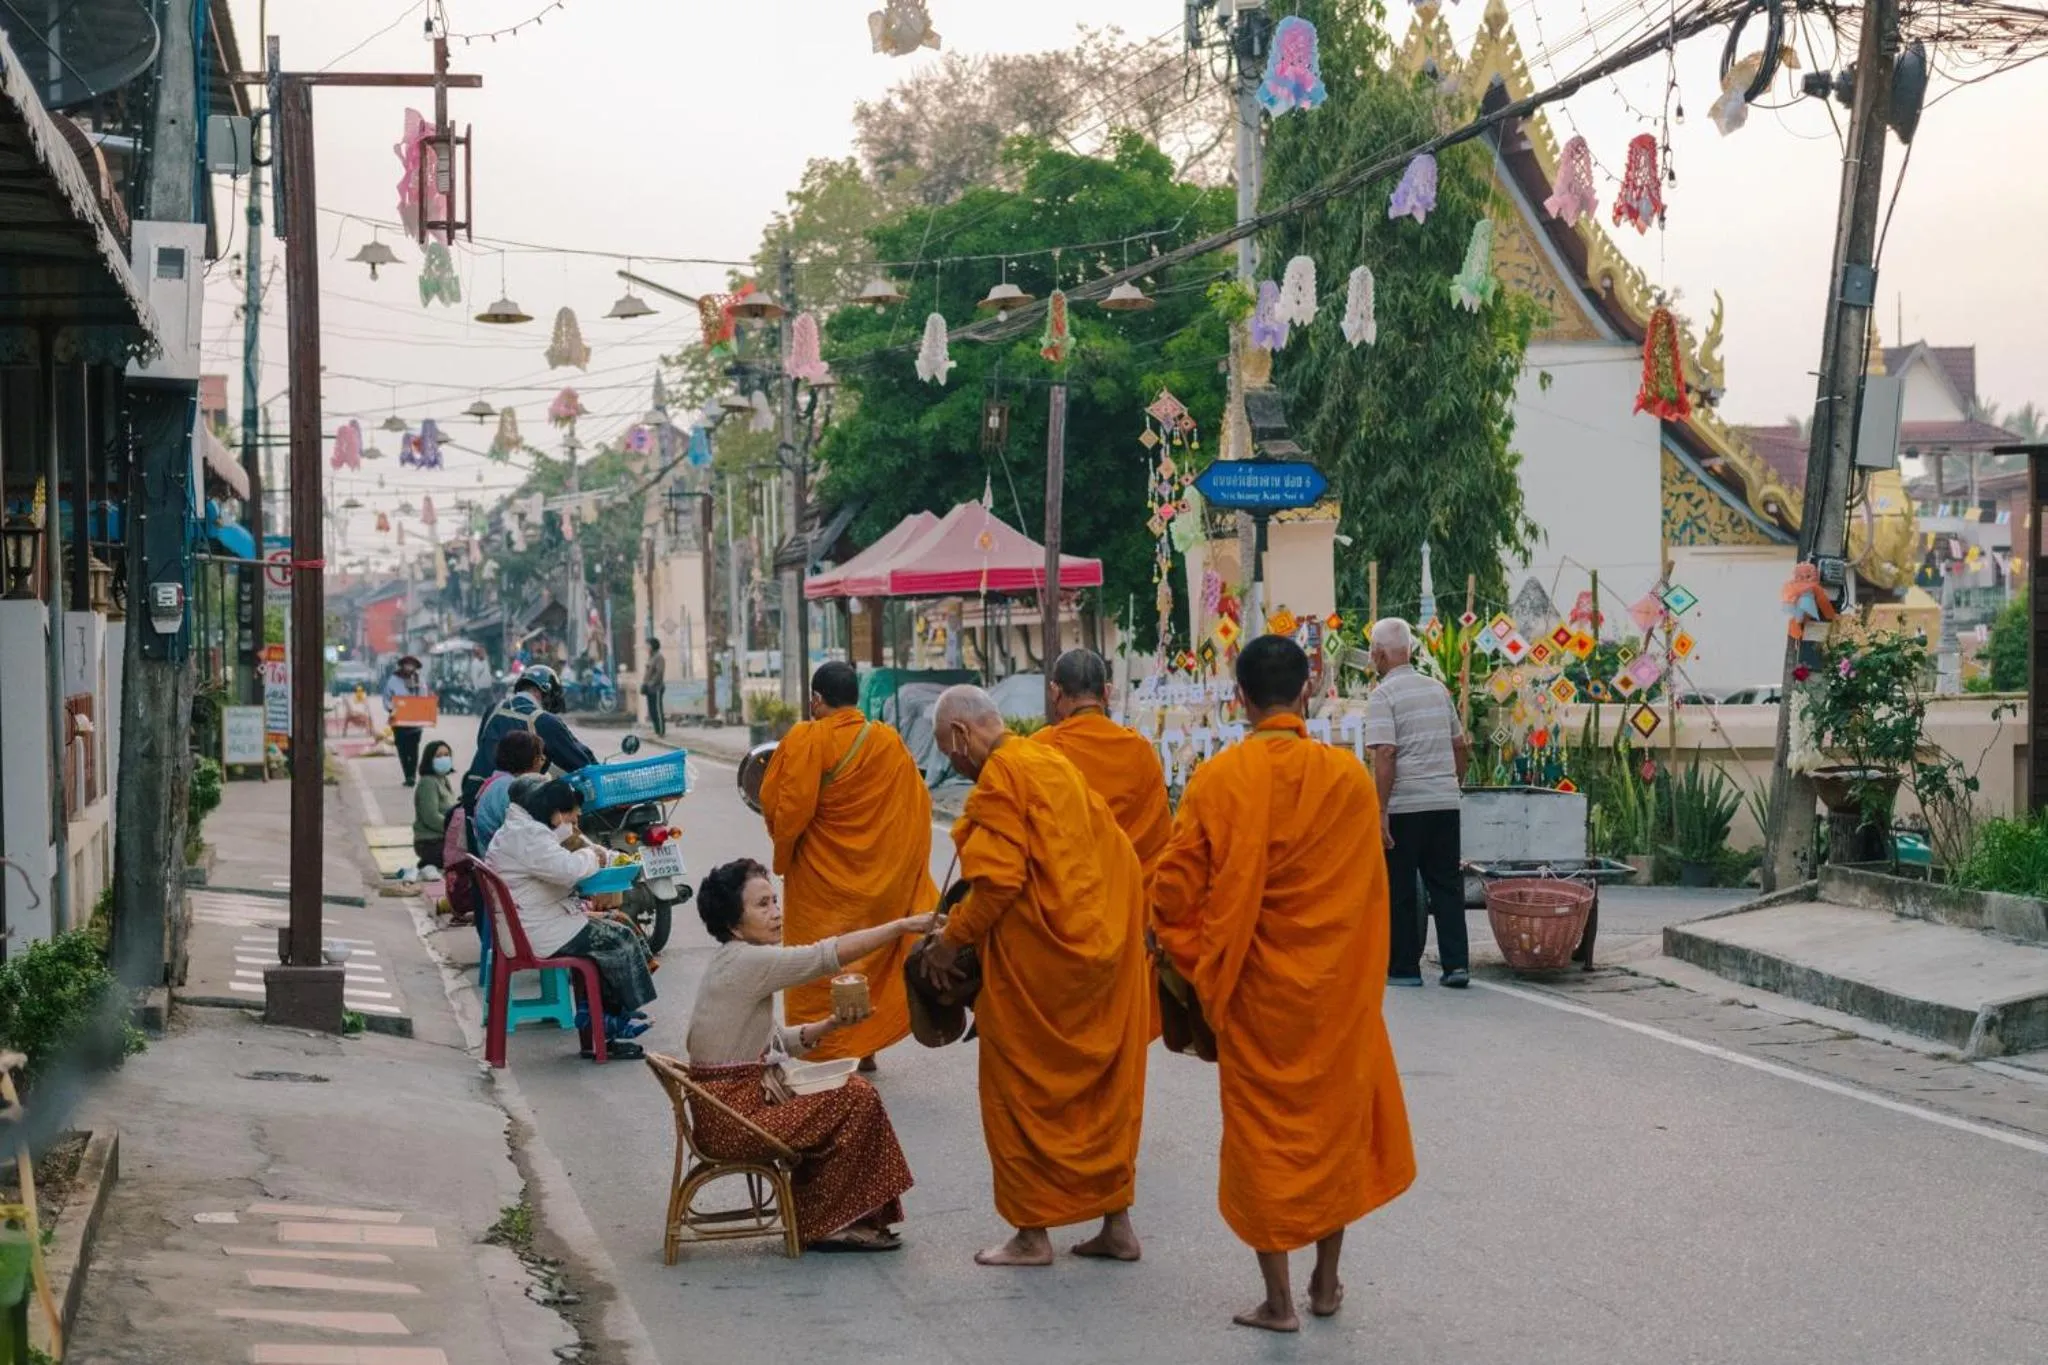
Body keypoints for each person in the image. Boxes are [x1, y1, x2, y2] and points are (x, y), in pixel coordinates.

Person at [1153, 634, 1417, 1332]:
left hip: (1254, 993)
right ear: (1308, 690)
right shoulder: (1349, 780)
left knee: (1262, 1136)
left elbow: (1172, 891)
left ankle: (1277, 1300)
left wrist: (1202, 957)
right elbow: (1370, 896)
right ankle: (1326, 1282)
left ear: (1239, 697)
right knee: (1333, 1131)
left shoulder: (1219, 778)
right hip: (1335, 994)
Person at [922, 684, 1150, 1267]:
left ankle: (1030, 1235)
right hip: (1097, 953)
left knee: (1019, 1093)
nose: (954, 764)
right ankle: (1116, 1225)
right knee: (1099, 1095)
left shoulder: (1002, 777)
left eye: (950, 754)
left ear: (959, 735)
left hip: (1038, 972)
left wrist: (952, 940)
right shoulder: (1050, 762)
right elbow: (1117, 851)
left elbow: (998, 883)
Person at [685, 859, 930, 1252]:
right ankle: (827, 1223)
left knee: (850, 1092)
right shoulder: (747, 961)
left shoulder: (733, 960)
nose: (776, 913)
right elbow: (824, 956)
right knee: (855, 1097)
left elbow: (774, 1041)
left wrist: (832, 1024)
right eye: (762, 906)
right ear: (734, 923)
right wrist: (900, 927)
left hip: (732, 1111)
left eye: (774, 901)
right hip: (734, 1120)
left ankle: (834, 1216)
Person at [761, 661, 937, 1068]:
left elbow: (785, 810)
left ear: (816, 701)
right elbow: (918, 807)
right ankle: (864, 1044)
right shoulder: (887, 741)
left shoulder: (808, 738)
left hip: (821, 883)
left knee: (821, 961)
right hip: (879, 881)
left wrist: (784, 852)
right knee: (868, 955)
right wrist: (900, 871)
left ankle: (829, 1049)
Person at [487, 777, 657, 1060]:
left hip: (536, 921)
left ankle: (609, 1011)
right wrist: (592, 854)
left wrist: (578, 844)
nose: (575, 818)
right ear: (555, 810)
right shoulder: (529, 836)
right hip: (538, 931)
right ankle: (610, 1026)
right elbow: (568, 870)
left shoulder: (522, 831)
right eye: (571, 813)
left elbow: (552, 857)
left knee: (617, 925)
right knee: (619, 939)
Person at [1363, 617, 1473, 989]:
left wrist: (1380, 810)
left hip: (1404, 807)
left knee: (1401, 887)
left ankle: (1405, 968)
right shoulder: (1437, 690)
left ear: (1379, 654)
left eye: (1372, 652)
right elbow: (1460, 746)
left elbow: (1386, 753)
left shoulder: (1383, 696)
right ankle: (1456, 966)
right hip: (1443, 803)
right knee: (1446, 885)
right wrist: (1450, 785)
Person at [1034, 649, 1172, 885]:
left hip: (1069, 903)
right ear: (1106, 692)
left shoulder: (1041, 749)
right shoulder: (1139, 749)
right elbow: (1158, 840)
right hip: (1132, 898)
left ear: (1055, 691)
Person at [461, 664, 596, 809]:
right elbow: (580, 761)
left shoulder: (493, 709)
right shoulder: (543, 720)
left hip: (475, 794)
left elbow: (482, 744)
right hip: (508, 804)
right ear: (541, 692)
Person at [473, 729, 548, 852]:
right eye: (540, 757)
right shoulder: (513, 788)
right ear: (532, 760)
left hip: (489, 850)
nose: (542, 762)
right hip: (501, 855)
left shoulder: (497, 781)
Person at [411, 739, 460, 873]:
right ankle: (428, 862)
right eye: (438, 756)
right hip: (430, 842)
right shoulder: (428, 782)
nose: (444, 759)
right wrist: (454, 829)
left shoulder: (443, 780)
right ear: (429, 760)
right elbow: (431, 816)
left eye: (446, 755)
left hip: (442, 838)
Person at [382, 655, 430, 787]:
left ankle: (412, 776)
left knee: (413, 749)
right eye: (407, 664)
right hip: (398, 720)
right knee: (402, 749)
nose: (409, 667)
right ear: (402, 666)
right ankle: (406, 773)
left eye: (412, 665)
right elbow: (386, 698)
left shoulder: (420, 680)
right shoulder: (393, 680)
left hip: (415, 721)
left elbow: (424, 698)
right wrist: (392, 707)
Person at [640, 637, 667, 737]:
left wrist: (651, 683)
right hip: (649, 688)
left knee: (658, 710)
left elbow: (659, 673)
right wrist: (645, 684)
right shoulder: (650, 657)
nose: (646, 647)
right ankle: (656, 730)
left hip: (657, 688)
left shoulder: (659, 657)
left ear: (653, 646)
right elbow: (648, 673)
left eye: (647, 645)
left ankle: (661, 731)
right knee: (652, 711)